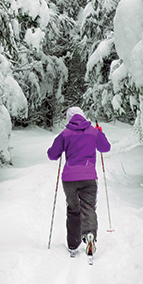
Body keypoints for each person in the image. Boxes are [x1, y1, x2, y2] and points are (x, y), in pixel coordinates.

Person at [47, 106, 110, 257]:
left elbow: (52, 155)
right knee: (88, 207)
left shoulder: (65, 134)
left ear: (69, 119)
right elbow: (105, 147)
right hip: (89, 177)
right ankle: (90, 235)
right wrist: (100, 133)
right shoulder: (93, 132)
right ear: (83, 116)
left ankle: (73, 244)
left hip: (69, 179)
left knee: (73, 209)